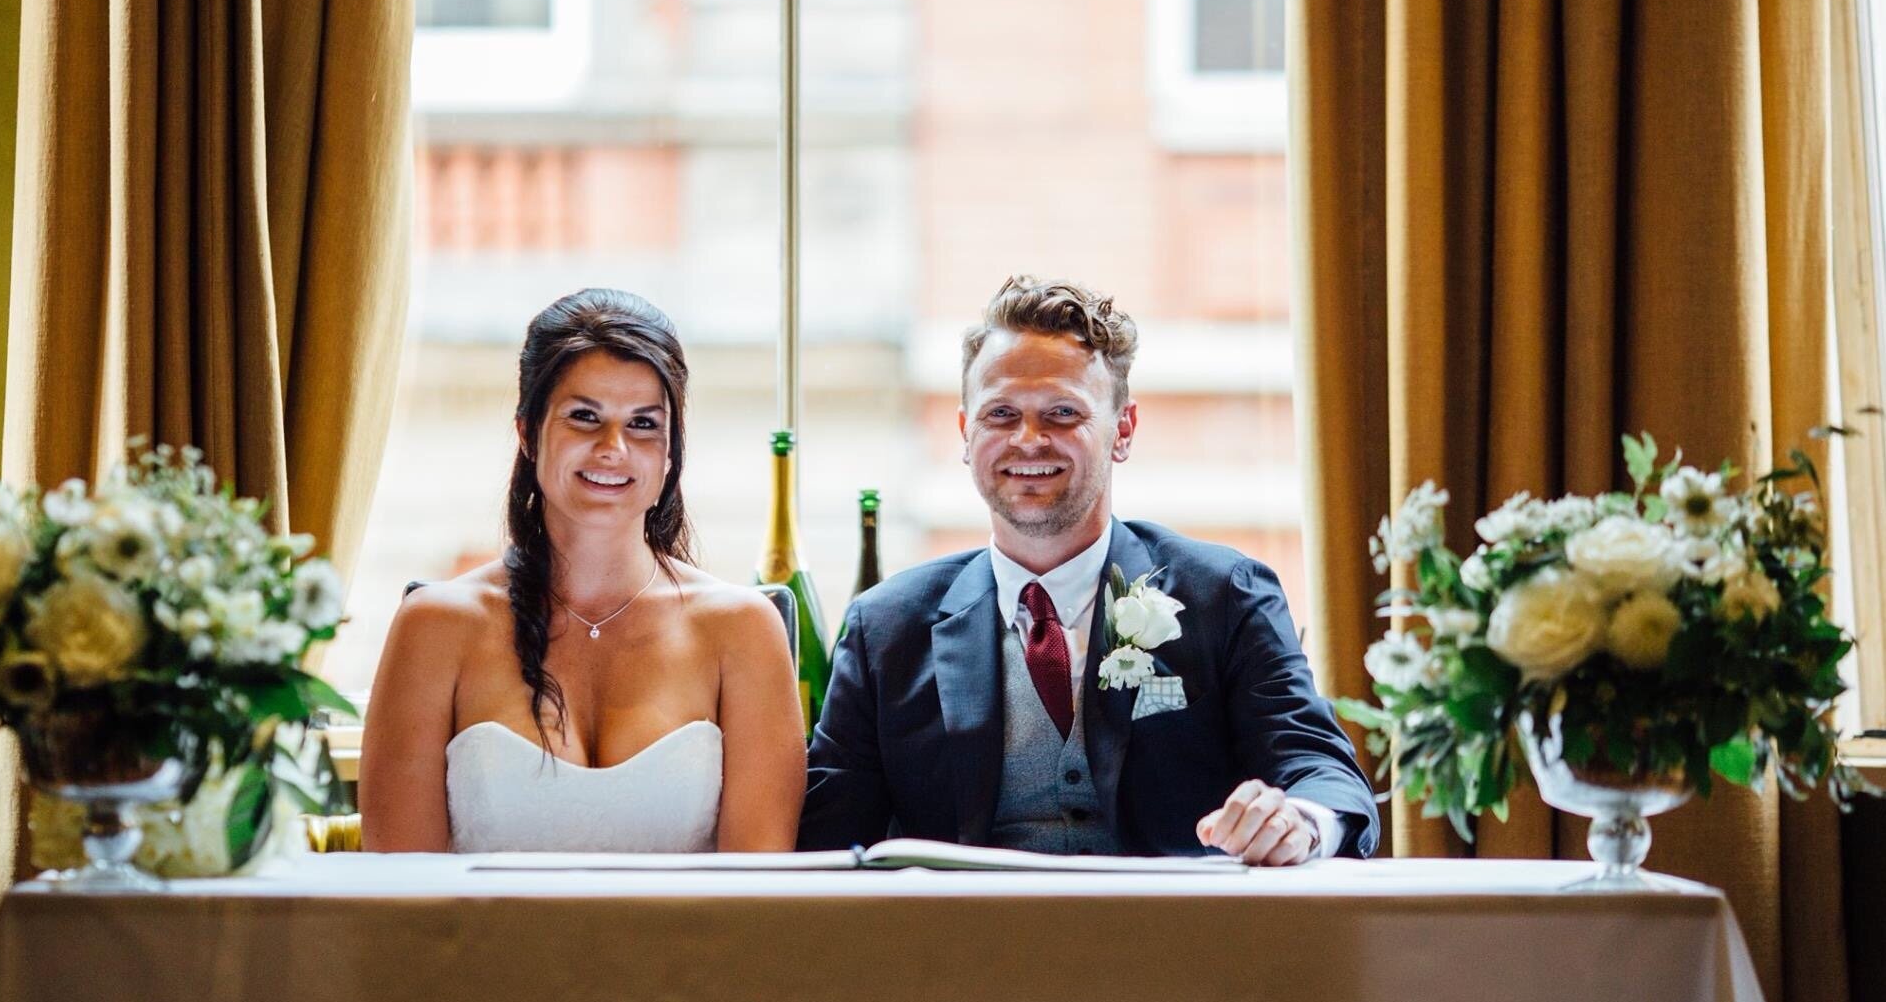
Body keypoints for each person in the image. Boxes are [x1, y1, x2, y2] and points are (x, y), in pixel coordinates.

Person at [801, 276, 1378, 864]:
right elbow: (824, 841)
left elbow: (1321, 770)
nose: (1029, 440)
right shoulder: (885, 629)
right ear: (965, 434)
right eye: (1001, 414)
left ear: (1121, 431)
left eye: (1062, 413)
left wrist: (1299, 823)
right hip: (961, 949)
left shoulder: (1224, 595)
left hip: (1180, 945)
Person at [360, 289, 804, 853]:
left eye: (643, 424)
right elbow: (400, 897)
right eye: (584, 417)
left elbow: (758, 897)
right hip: (476, 945)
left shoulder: (742, 629)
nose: (613, 448)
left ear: (670, 454)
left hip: (691, 945)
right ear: (527, 433)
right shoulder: (434, 626)